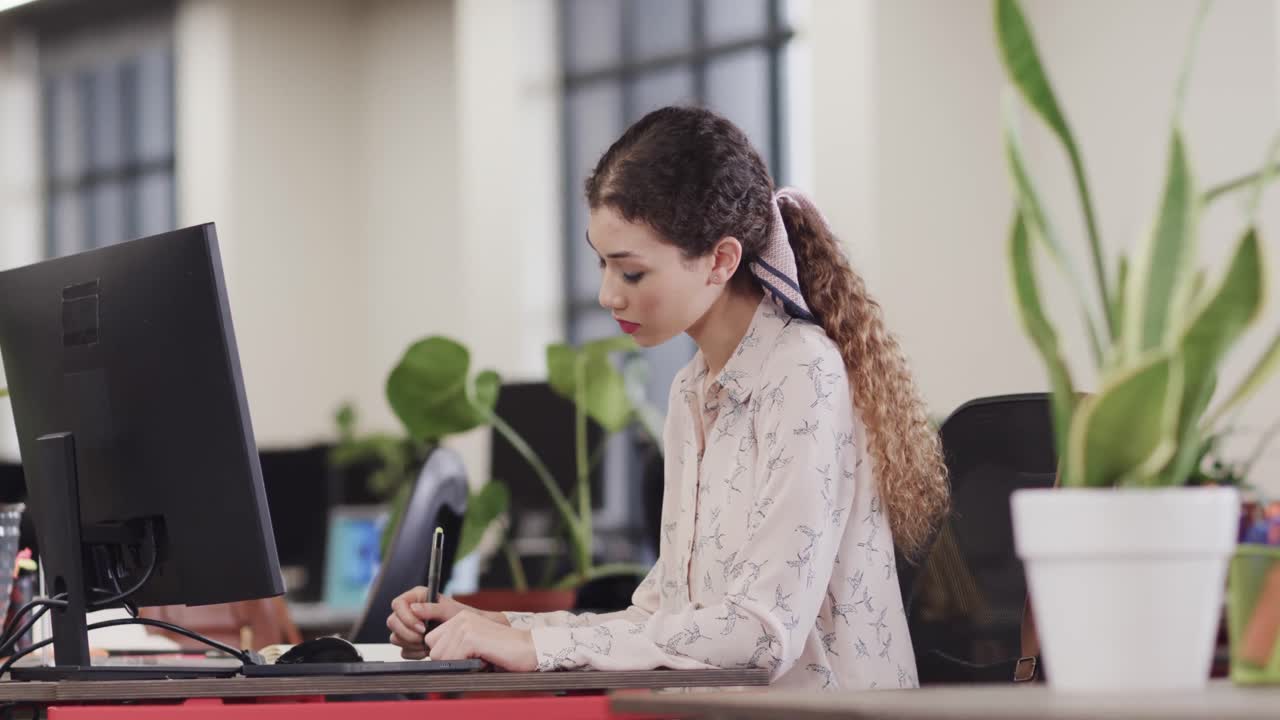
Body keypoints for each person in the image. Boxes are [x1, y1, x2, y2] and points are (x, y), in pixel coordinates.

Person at [386, 106, 949, 690]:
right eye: (602, 264)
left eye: (631, 273)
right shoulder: (691, 390)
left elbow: (761, 635)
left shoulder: (803, 373)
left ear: (721, 261)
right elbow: (660, 619)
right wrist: (496, 624)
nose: (608, 295)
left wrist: (533, 644)